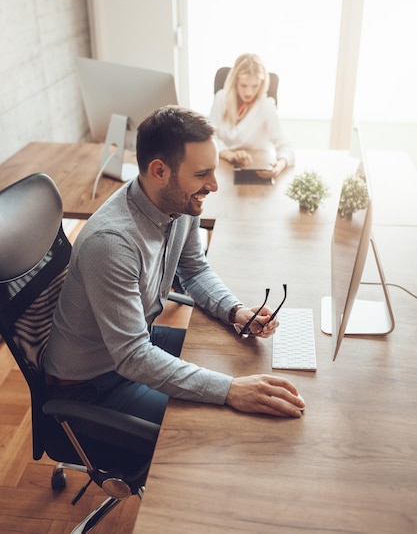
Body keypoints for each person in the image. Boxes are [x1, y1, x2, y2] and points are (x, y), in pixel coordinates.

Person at [44, 106, 304, 433]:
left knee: (234, 359)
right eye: (201, 174)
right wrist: (230, 390)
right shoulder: (111, 243)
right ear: (159, 172)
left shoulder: (180, 202)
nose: (213, 185)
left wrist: (235, 311)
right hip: (92, 386)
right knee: (219, 425)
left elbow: (194, 270)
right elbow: (133, 357)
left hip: (136, 343)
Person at [209, 53, 295, 179]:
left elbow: (285, 146)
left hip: (256, 172)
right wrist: (229, 155)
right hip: (223, 173)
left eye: (255, 86)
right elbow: (210, 138)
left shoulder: (266, 106)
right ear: (235, 82)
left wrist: (280, 164)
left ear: (262, 83)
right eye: (243, 85)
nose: (249, 92)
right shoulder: (221, 98)